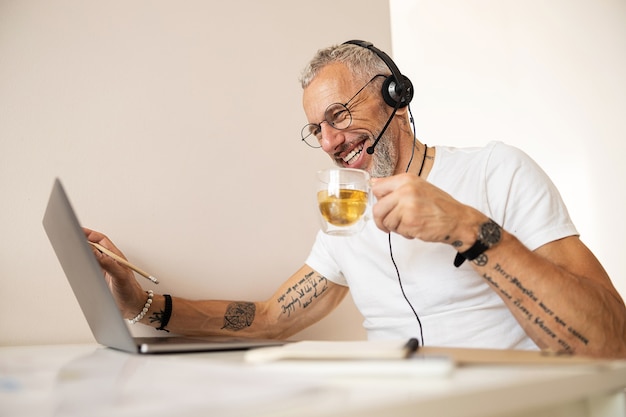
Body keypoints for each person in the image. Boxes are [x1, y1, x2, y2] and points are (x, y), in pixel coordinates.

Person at [85, 40, 626, 358]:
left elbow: (609, 343)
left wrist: (466, 228)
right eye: (315, 129)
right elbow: (273, 317)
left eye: (338, 116)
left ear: (395, 94)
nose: (328, 142)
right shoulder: (346, 218)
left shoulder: (497, 170)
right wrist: (142, 305)